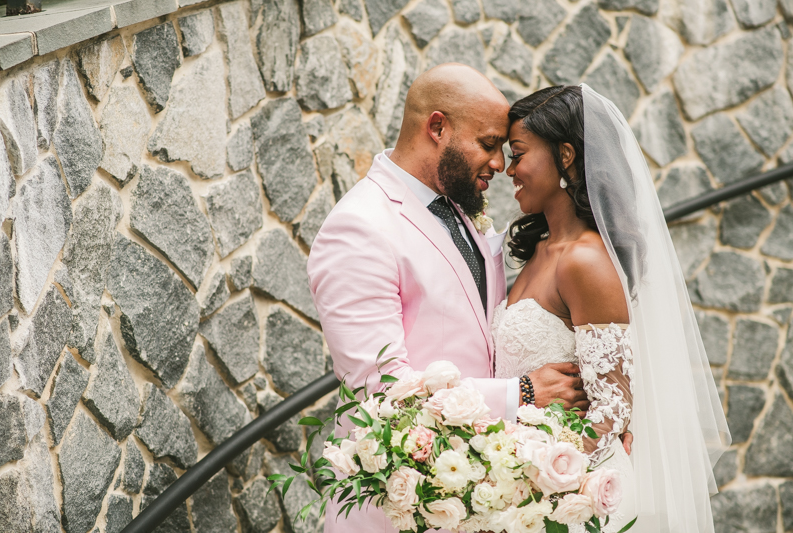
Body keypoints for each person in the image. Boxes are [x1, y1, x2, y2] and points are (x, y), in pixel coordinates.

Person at [308, 64, 593, 533]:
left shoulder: (460, 207)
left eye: (504, 149)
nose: (501, 164)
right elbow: (379, 390)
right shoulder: (359, 227)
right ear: (437, 127)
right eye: (488, 144)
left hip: (485, 495)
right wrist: (520, 394)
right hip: (403, 506)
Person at [494, 84, 730, 532]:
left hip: (574, 501)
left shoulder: (584, 261)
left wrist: (532, 489)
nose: (508, 169)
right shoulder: (541, 250)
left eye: (518, 154)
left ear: (565, 155)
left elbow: (611, 410)